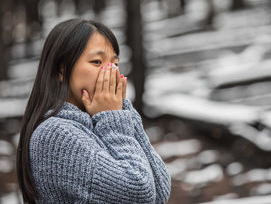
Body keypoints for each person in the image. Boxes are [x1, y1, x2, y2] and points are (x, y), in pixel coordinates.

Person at [16, 19, 171, 203]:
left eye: (115, 63)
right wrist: (114, 118)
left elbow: (160, 191)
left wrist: (122, 111)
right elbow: (139, 193)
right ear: (62, 69)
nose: (110, 72)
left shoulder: (97, 120)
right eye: (97, 62)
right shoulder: (54, 134)